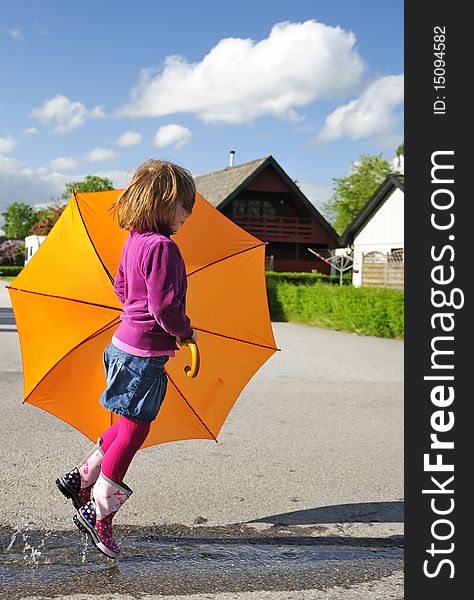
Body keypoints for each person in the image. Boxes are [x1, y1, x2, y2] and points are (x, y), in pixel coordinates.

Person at [55, 159, 198, 559]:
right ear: (165, 203)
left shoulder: (135, 238)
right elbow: (166, 308)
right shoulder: (164, 247)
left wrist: (136, 310)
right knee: (135, 432)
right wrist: (185, 331)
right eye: (184, 206)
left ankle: (82, 477)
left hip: (121, 346)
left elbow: (121, 285)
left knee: (123, 423)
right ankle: (97, 513)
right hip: (144, 356)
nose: (187, 215)